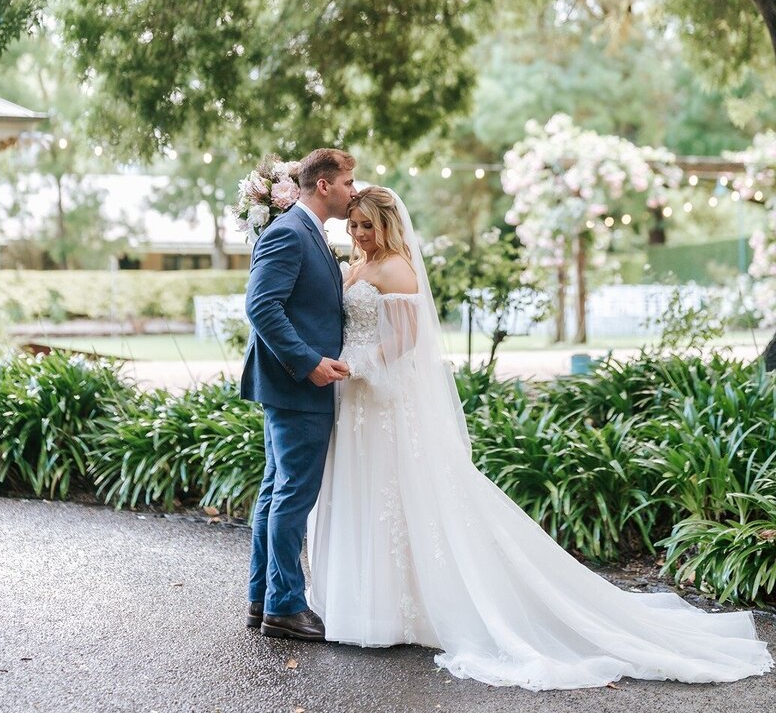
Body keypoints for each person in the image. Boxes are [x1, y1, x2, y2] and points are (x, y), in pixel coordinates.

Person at [307, 185, 773, 690]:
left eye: (367, 226)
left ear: (388, 226)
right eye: (353, 226)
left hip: (380, 399)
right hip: (350, 399)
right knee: (363, 496)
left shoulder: (397, 267)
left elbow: (404, 342)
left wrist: (357, 366)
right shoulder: (355, 264)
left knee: (395, 497)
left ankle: (399, 608)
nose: (358, 234)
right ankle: (365, 604)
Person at [240, 148, 355, 642]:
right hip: (296, 386)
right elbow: (261, 307)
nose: (354, 190)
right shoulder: (289, 233)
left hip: (291, 387)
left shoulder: (309, 232)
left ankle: (263, 597)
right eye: (349, 181)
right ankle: (285, 606)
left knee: (275, 492)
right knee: (292, 496)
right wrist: (308, 364)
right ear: (324, 185)